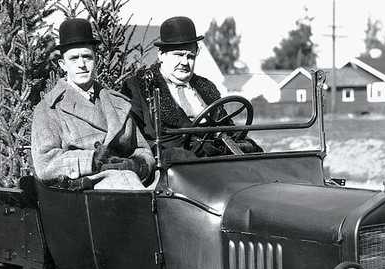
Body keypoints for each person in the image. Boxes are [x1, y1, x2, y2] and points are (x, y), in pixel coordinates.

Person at [32, 18, 155, 190]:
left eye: (87, 57)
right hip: (84, 187)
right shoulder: (49, 108)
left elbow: (143, 150)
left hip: (129, 179)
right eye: (74, 58)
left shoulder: (117, 103)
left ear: (95, 60)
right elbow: (45, 164)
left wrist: (136, 165)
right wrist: (91, 160)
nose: (82, 64)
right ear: (62, 64)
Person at [122, 16, 240, 155]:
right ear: (161, 55)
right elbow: (134, 139)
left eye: (190, 56)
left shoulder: (206, 88)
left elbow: (228, 128)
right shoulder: (140, 87)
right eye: (178, 54)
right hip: (176, 164)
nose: (185, 62)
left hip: (217, 159)